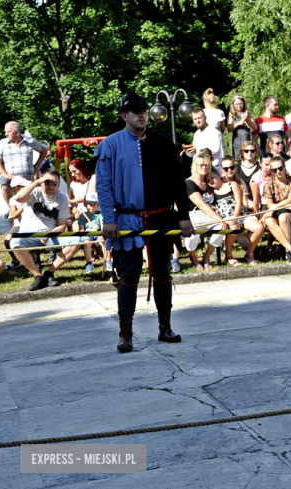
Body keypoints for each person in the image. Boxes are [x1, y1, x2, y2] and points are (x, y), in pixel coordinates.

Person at [96, 90, 193, 352]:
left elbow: (178, 184)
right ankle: (125, 334)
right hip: (126, 218)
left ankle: (165, 327)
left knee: (163, 273)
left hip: (161, 216)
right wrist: (108, 219)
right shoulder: (110, 145)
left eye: (145, 111)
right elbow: (104, 186)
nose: (142, 115)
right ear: (124, 115)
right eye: (136, 112)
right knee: (128, 275)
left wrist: (183, 216)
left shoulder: (164, 143)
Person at [9, 169, 82, 290]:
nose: (51, 186)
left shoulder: (62, 198)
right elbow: (18, 198)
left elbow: (62, 225)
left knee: (77, 240)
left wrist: (49, 234)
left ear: (59, 184)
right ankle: (38, 276)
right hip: (28, 234)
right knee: (14, 243)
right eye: (47, 182)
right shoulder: (33, 192)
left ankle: (49, 273)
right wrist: (36, 181)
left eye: (54, 183)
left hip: (50, 235)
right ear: (41, 183)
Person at [185, 153, 227, 271]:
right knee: (193, 233)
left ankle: (206, 256)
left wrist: (223, 180)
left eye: (207, 165)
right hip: (194, 214)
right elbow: (201, 204)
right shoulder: (189, 183)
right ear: (195, 166)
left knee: (223, 227)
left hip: (211, 214)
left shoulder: (209, 181)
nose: (204, 167)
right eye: (201, 165)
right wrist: (219, 218)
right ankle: (193, 258)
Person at [220, 155, 264, 266]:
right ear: (222, 170)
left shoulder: (240, 182)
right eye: (226, 169)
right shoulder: (219, 182)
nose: (230, 170)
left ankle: (249, 253)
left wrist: (249, 209)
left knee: (259, 228)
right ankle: (228, 254)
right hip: (228, 214)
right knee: (235, 228)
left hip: (242, 213)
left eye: (232, 167)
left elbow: (243, 202)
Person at [263, 156, 291, 262]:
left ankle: (289, 251)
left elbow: (290, 200)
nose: (278, 171)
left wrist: (274, 208)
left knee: (282, 218)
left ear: (284, 167)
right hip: (275, 212)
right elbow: (269, 204)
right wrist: (273, 209)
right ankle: (290, 250)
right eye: (274, 170)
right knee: (269, 221)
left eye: (280, 168)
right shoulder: (269, 183)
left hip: (289, 213)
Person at [0, 121, 49, 207]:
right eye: (5, 132)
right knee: (4, 185)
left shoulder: (30, 141)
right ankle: (12, 209)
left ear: (17, 132)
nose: (6, 134)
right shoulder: (2, 143)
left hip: (27, 178)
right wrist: (5, 174)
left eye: (8, 132)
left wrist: (37, 165)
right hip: (10, 178)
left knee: (29, 204)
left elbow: (44, 151)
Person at [76, 199, 111, 273]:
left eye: (95, 204)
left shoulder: (100, 215)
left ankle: (107, 261)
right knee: (87, 242)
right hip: (88, 235)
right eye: (90, 204)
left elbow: (102, 227)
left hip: (97, 234)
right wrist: (84, 232)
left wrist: (102, 235)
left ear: (98, 205)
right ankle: (88, 263)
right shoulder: (82, 216)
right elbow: (81, 230)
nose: (92, 206)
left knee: (105, 241)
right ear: (85, 205)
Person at [3, 176, 29, 270]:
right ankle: (16, 261)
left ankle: (32, 259)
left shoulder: (31, 196)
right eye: (24, 186)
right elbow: (14, 215)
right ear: (17, 188)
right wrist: (23, 206)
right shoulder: (13, 199)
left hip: (31, 225)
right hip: (18, 225)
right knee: (7, 241)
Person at [187, 107, 224, 174]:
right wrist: (189, 151)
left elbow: (215, 150)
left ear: (205, 117)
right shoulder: (196, 133)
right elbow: (195, 154)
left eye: (199, 118)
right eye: (195, 119)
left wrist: (197, 148)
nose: (198, 121)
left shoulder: (213, 131)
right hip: (199, 170)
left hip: (212, 169)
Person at [236, 141, 262, 211]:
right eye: (246, 151)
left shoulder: (260, 167)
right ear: (242, 152)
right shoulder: (236, 168)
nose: (249, 153)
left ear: (255, 152)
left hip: (258, 200)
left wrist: (256, 202)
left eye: (252, 151)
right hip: (241, 200)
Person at [203, 88, 227, 158]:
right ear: (215, 102)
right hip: (218, 137)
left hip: (206, 136)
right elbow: (223, 127)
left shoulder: (203, 112)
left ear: (205, 102)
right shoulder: (219, 112)